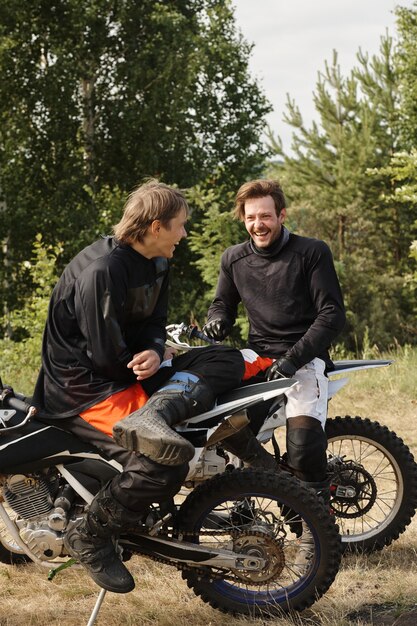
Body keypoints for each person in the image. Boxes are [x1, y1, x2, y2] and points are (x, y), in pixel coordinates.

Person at [33, 180, 244, 594]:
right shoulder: (102, 271)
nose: (184, 234)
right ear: (154, 226)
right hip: (86, 387)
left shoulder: (158, 260)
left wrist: (153, 348)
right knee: (162, 462)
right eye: (180, 226)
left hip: (128, 369)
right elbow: (102, 355)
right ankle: (90, 536)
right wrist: (148, 360)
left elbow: (153, 322)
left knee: (227, 358)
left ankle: (158, 413)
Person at [203, 179, 346, 502]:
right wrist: (217, 321)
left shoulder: (311, 252)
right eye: (251, 217)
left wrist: (292, 360)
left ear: (281, 215)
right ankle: (246, 516)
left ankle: (316, 532)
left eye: (265, 216)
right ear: (243, 218)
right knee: (231, 436)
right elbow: (222, 304)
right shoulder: (233, 258)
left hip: (305, 360)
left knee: (303, 449)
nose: (258, 224)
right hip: (259, 359)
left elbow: (332, 314)